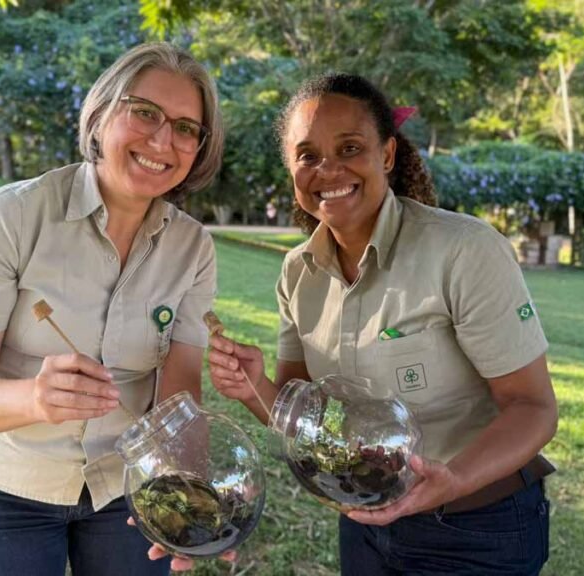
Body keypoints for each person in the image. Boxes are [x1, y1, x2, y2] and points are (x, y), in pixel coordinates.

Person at [207, 73, 558, 575]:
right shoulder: (297, 273)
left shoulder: (462, 250)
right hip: (366, 523)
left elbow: (534, 408)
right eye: (307, 156)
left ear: (387, 155)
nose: (328, 169)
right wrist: (252, 387)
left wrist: (453, 478)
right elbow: (302, 417)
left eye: (350, 148)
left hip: (477, 526)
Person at [0, 42, 225, 575]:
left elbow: (179, 392)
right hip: (7, 486)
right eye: (145, 112)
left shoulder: (193, 249)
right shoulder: (14, 217)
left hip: (127, 492)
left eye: (186, 127)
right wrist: (34, 399)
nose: (163, 140)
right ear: (101, 112)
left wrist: (190, 494)